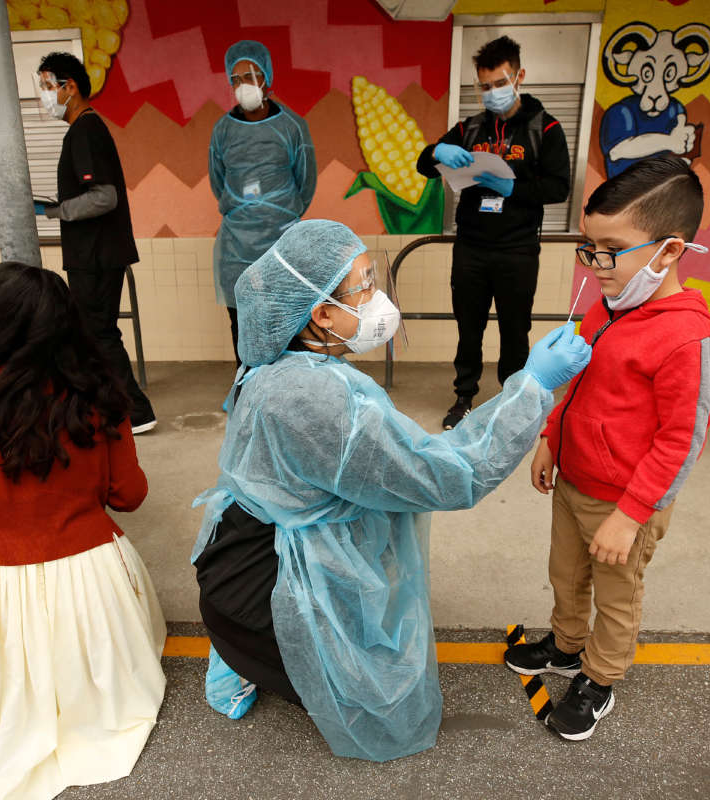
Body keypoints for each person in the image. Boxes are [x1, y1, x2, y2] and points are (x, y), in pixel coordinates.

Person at [190, 220, 591, 761]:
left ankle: (240, 648)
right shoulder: (315, 399)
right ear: (322, 313)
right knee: (378, 702)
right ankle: (254, 654)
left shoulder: (278, 365)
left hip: (235, 549)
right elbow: (449, 473)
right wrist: (534, 388)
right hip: (264, 578)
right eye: (362, 286)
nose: (377, 298)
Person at [0, 262, 166, 798]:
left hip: (1, 581)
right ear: (65, 323)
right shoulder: (100, 395)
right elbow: (131, 496)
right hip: (96, 575)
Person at [506, 156, 710, 741]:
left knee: (617, 596)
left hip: (625, 502)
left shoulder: (688, 337)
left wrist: (630, 517)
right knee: (566, 574)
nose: (595, 265)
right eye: (588, 247)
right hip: (574, 481)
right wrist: (552, 437)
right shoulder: (608, 305)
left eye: (610, 250)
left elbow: (681, 442)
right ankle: (566, 643)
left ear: (668, 251)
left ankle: (599, 678)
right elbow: (575, 379)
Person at [417, 35, 572, 430]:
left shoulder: (546, 128)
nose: (492, 93)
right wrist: (437, 151)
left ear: (519, 76)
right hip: (471, 247)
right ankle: (464, 396)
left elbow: (559, 187)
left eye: (500, 84)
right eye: (484, 87)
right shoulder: (468, 128)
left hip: (518, 249)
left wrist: (513, 189)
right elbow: (423, 166)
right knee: (468, 327)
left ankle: (511, 399)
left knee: (514, 329)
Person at [34, 51, 156, 434]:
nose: (43, 97)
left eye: (47, 88)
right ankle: (118, 407)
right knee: (96, 331)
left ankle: (135, 413)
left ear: (69, 87)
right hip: (95, 252)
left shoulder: (85, 130)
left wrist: (55, 212)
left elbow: (104, 197)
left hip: (97, 253)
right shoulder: (82, 130)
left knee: (98, 333)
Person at [209, 40, 317, 364]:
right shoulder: (223, 130)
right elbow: (218, 182)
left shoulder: (293, 127)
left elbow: (306, 183)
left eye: (252, 75)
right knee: (242, 324)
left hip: (281, 242)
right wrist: (245, 208)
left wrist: (281, 213)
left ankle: (289, 391)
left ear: (267, 78)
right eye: (237, 78)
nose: (245, 85)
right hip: (236, 248)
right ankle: (247, 392)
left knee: (288, 322)